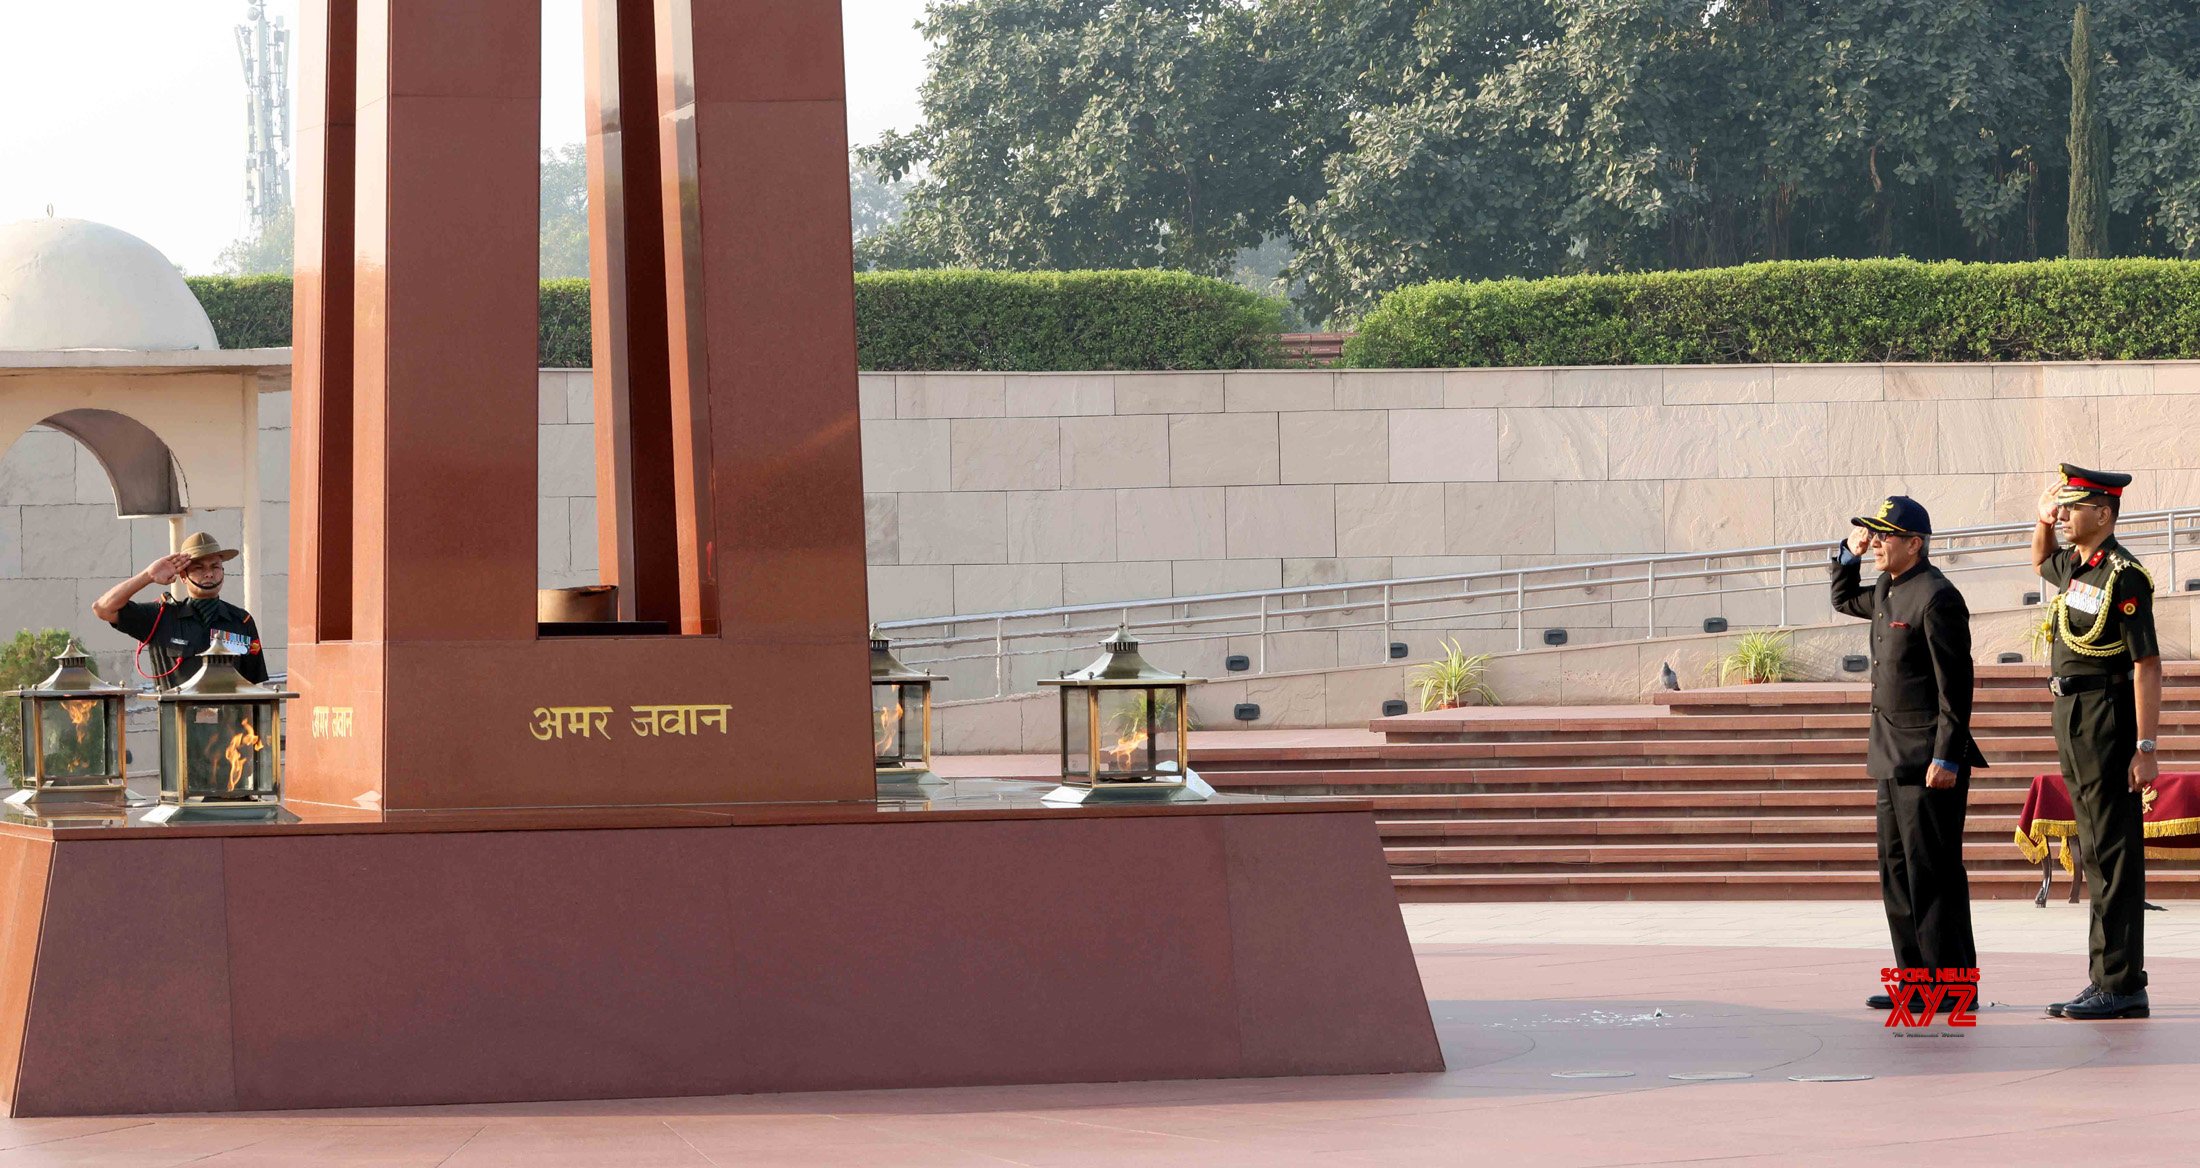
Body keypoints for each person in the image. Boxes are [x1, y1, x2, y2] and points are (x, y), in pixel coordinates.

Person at [1830, 496, 1988, 1011]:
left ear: (1914, 544)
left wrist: (1947, 755)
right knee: (1895, 870)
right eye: (1872, 534)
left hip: (1927, 760)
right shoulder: (1884, 588)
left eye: (1884, 536)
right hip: (1888, 754)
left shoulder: (1938, 596)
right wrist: (1847, 555)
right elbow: (1841, 599)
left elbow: (1955, 687)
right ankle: (1914, 981)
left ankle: (1953, 986)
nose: (1876, 542)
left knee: (1933, 873)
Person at [2034, 465, 2159, 1021]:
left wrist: (2147, 746)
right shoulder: (2078, 568)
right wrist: (2040, 520)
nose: (2064, 515)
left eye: (2073, 507)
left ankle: (2122, 982)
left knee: (2113, 851)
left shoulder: (2123, 576)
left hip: (2107, 717)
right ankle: (2105, 977)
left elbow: (2147, 664)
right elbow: (2041, 561)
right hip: (2072, 713)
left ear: (2103, 514)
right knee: (2093, 847)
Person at [90, 531, 268, 689]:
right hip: (179, 723)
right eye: (199, 568)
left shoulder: (241, 621)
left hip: (230, 726)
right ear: (183, 576)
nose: (209, 574)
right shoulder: (160, 617)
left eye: (215, 567)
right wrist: (148, 576)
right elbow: (103, 608)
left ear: (223, 571)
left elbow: (253, 684)